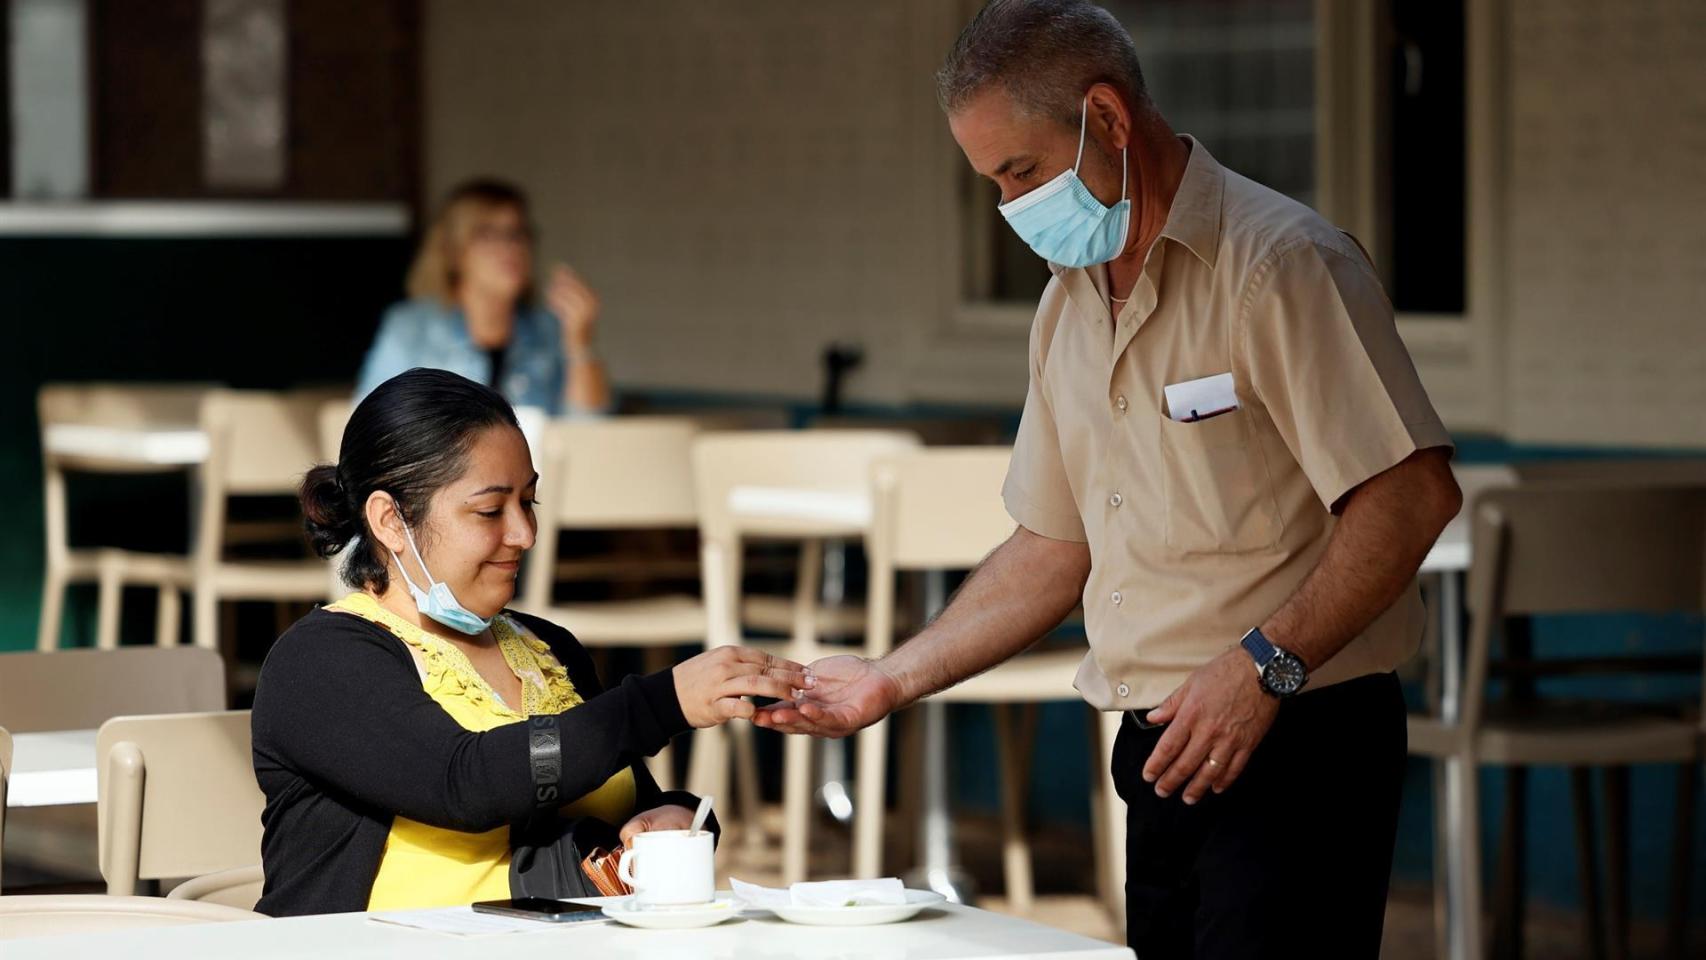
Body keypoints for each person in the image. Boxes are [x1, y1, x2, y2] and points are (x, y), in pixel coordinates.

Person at [754, 2, 1462, 956]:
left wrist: (1264, 666)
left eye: (1022, 172)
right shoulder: (1066, 306)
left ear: (1109, 119)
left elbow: (1410, 494)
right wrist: (888, 679)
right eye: (993, 185)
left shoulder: (1283, 264)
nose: (1011, 207)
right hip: (1159, 747)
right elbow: (1054, 546)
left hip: (1296, 732)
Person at [252, 368, 807, 916]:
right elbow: (466, 782)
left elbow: (619, 792)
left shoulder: (547, 649)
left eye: (529, 502)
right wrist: (665, 703)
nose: (524, 534)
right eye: (490, 510)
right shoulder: (320, 662)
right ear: (390, 521)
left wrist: (674, 819)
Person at [355, 178, 612, 416]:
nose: (511, 247)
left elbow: (586, 430)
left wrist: (580, 344)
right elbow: (367, 425)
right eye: (488, 234)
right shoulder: (411, 328)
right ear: (454, 251)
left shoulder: (548, 330)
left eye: (518, 233)